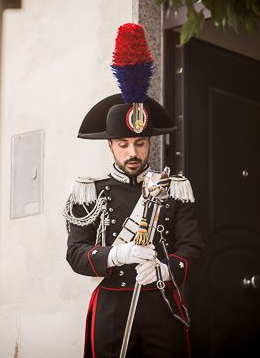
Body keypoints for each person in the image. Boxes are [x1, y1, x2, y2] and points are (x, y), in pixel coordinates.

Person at [63, 23, 204, 358]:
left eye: (139, 143)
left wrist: (164, 270)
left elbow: (194, 250)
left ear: (149, 143)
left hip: (159, 299)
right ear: (110, 145)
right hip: (112, 305)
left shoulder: (174, 189)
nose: (132, 153)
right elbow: (75, 253)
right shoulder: (88, 192)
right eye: (123, 144)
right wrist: (115, 254)